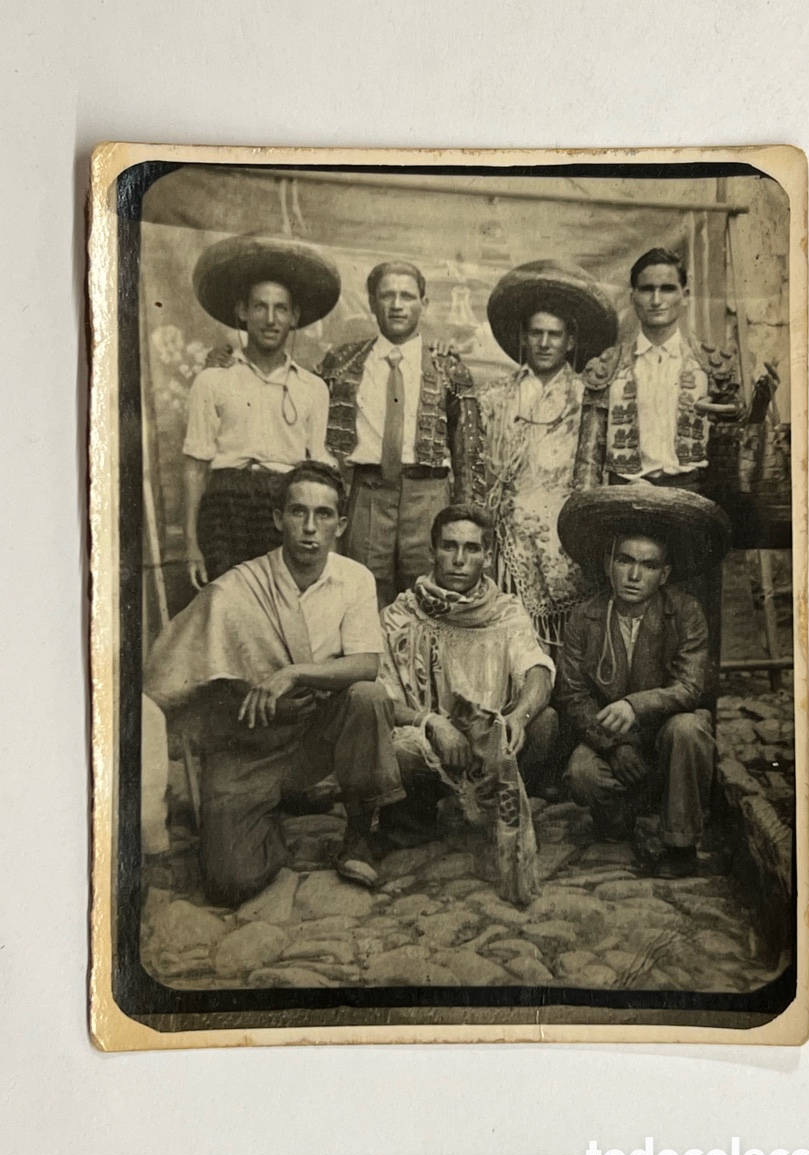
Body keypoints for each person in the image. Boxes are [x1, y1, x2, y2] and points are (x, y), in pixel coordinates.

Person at [143, 461, 404, 904]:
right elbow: (185, 688)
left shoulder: (355, 578)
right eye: (298, 512)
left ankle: (359, 834)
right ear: (278, 519)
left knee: (368, 697)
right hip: (251, 745)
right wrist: (252, 698)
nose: (309, 528)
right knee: (231, 884)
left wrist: (294, 673)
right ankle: (278, 812)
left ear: (340, 525)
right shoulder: (235, 589)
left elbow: (365, 665)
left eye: (323, 515)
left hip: (312, 735)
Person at [378, 504, 556, 904]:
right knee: (396, 750)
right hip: (427, 738)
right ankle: (417, 815)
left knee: (546, 723)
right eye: (449, 547)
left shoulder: (505, 611)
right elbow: (382, 695)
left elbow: (538, 671)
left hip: (486, 743)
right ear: (432, 552)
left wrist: (518, 717)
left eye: (472, 549)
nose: (460, 560)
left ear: (487, 556)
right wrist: (431, 724)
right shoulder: (401, 614)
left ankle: (490, 809)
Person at [555, 485, 731, 877]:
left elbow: (689, 687)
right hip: (615, 745)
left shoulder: (684, 612)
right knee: (582, 772)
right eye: (625, 560)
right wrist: (614, 746)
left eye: (649, 565)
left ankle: (679, 845)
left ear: (664, 573)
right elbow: (572, 693)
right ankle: (624, 818)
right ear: (608, 564)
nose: (634, 575)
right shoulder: (586, 617)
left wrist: (636, 705)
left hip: (665, 739)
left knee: (689, 728)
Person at [318, 261, 485, 609]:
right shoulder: (342, 363)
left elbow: (467, 455)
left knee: (432, 593)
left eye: (407, 296)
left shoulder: (448, 368)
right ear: (372, 302)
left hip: (428, 496)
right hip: (368, 493)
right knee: (362, 594)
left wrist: (467, 521)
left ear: (423, 302)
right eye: (387, 295)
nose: (396, 305)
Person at [184, 234, 341, 587]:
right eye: (260, 307)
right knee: (228, 606)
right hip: (226, 505)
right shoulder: (212, 380)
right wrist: (191, 545)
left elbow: (318, 464)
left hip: (285, 505)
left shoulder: (313, 389)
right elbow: (195, 468)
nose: (270, 319)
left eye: (281, 309)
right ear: (242, 312)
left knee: (282, 605)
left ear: (294, 317)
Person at [477, 260, 618, 649]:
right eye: (536, 333)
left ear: (569, 342)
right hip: (508, 540)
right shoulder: (494, 397)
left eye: (553, 335)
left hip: (565, 537)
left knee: (568, 640)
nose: (544, 343)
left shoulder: (587, 399)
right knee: (511, 634)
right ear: (523, 337)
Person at [575, 247, 742, 493]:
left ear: (684, 296)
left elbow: (731, 451)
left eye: (667, 289)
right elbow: (588, 457)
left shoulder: (711, 366)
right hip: (625, 494)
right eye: (647, 289)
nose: (656, 300)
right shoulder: (608, 367)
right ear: (633, 297)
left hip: (692, 494)